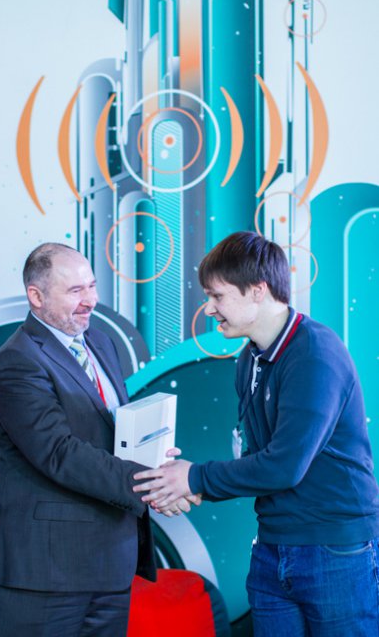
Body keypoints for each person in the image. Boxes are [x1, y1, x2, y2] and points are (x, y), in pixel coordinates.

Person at [133, 231, 379, 636]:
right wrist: (187, 486)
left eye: (218, 296)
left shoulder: (315, 353)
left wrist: (193, 479)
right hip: (272, 547)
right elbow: (255, 459)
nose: (209, 309)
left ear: (258, 290)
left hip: (334, 551)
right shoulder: (250, 359)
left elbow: (284, 466)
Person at [0, 242, 193, 637]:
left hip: (109, 562)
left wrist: (154, 456)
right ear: (36, 296)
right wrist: (153, 483)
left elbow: (109, 434)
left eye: (92, 286)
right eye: (76, 290)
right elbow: (59, 453)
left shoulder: (100, 342)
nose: (91, 301)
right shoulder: (17, 360)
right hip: (45, 571)